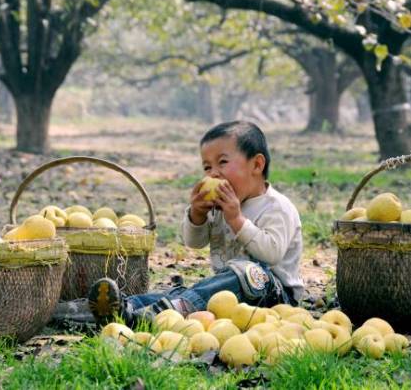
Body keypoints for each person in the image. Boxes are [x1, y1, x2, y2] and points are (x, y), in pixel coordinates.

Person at [87, 121, 304, 326]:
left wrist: (237, 220)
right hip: (228, 298)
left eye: (223, 162)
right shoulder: (221, 204)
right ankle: (122, 308)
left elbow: (271, 254)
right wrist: (197, 215)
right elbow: (194, 242)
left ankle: (158, 315)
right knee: (185, 292)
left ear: (256, 165)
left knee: (248, 272)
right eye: (207, 167)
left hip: (274, 299)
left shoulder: (277, 207)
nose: (213, 173)